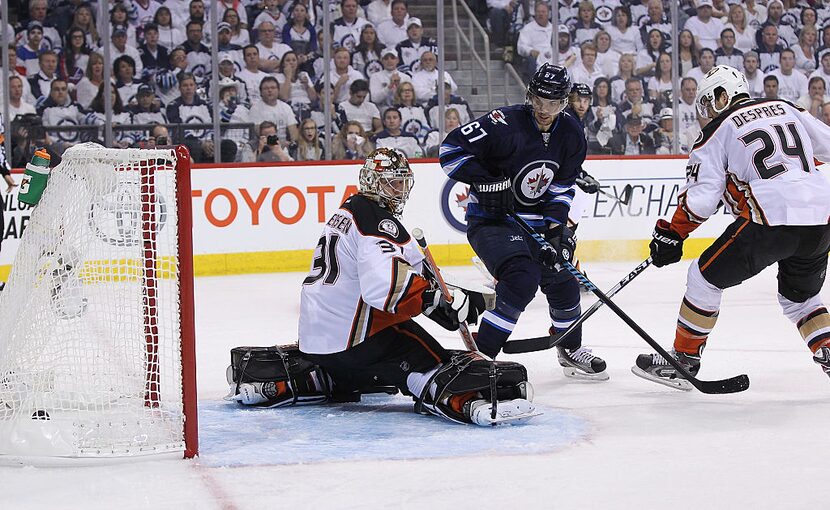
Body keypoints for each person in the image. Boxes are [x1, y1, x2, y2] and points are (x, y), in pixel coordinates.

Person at [289, 147, 535, 426]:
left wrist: (448, 296)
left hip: (315, 341)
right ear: (371, 181)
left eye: (402, 182)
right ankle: (462, 399)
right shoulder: (376, 221)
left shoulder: (349, 212)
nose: (398, 189)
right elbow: (383, 287)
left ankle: (320, 378)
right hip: (353, 339)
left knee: (387, 353)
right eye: (391, 182)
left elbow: (412, 270)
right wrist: (435, 301)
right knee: (429, 361)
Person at [633, 65, 830, 389]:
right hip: (820, 222)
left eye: (709, 103)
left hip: (771, 221)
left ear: (722, 96)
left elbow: (701, 200)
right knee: (801, 299)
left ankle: (683, 361)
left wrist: (672, 233)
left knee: (703, 278)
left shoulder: (716, 132)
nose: (706, 113)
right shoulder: (785, 108)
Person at [438, 64, 608, 379]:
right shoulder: (503, 123)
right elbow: (449, 151)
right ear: (530, 95)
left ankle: (570, 348)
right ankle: (479, 355)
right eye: (540, 100)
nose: (545, 110)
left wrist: (558, 233)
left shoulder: (571, 133)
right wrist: (489, 180)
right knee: (521, 277)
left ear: (565, 103)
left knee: (564, 278)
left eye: (554, 103)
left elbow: (560, 188)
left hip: (538, 223)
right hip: (493, 219)